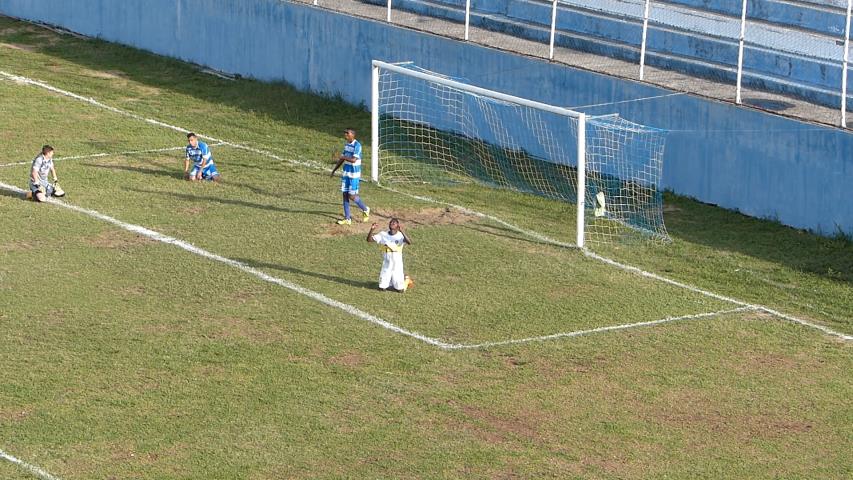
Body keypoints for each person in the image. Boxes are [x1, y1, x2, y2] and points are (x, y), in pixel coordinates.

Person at [330, 128, 370, 225]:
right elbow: (342, 159)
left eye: (347, 133)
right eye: (345, 133)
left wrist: (342, 157)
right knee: (344, 194)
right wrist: (334, 169)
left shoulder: (357, 146)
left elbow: (353, 160)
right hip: (346, 173)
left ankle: (365, 209)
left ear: (353, 134)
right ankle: (347, 218)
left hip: (354, 175)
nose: (345, 134)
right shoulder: (347, 145)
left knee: (351, 196)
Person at [367, 218, 413, 292]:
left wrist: (402, 231)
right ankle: (390, 283)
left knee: (400, 290)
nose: (392, 223)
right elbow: (369, 240)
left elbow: (409, 242)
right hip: (387, 262)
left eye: (394, 223)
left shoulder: (400, 235)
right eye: (391, 222)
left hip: (397, 263)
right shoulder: (383, 234)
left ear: (398, 225)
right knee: (381, 288)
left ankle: (406, 280)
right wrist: (372, 229)